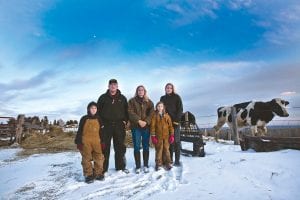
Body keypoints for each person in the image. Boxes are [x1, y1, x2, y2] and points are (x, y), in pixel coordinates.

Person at [97, 79, 129, 173]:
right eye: (111, 85)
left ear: (117, 86)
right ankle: (103, 169)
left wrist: (125, 121)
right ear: (108, 86)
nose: (113, 86)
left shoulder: (122, 98)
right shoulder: (103, 98)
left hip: (119, 125)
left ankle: (120, 167)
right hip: (106, 125)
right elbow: (98, 112)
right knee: (105, 147)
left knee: (120, 147)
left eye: (115, 85)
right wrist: (101, 124)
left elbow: (127, 111)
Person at [75, 101, 105, 183]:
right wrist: (78, 142)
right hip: (86, 142)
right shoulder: (84, 118)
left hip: (97, 141)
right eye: (92, 108)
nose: (94, 109)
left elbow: (102, 131)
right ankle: (88, 175)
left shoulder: (99, 118)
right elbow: (80, 130)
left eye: (95, 108)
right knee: (86, 158)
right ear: (89, 109)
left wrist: (103, 141)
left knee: (99, 157)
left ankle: (98, 173)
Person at [128, 85, 154, 174]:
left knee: (146, 146)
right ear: (137, 91)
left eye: (142, 90)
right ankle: (138, 166)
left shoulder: (149, 102)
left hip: (146, 127)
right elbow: (130, 112)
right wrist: (139, 121)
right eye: (139, 90)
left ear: (144, 91)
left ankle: (146, 165)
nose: (140, 91)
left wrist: (146, 122)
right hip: (136, 127)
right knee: (136, 146)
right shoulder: (131, 101)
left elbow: (151, 114)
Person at [160, 83, 183, 166]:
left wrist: (176, 121)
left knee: (176, 141)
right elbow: (161, 109)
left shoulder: (177, 97)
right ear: (165, 89)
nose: (169, 89)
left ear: (173, 89)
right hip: (166, 123)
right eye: (167, 88)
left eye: (170, 88)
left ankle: (177, 160)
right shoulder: (162, 98)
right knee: (169, 142)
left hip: (175, 122)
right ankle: (170, 159)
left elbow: (180, 109)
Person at [150, 101, 174, 171]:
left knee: (166, 150)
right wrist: (153, 136)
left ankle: (168, 163)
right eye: (158, 106)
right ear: (156, 107)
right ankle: (158, 164)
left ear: (163, 107)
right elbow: (152, 127)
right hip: (158, 136)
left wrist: (171, 135)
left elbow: (170, 126)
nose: (160, 108)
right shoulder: (154, 116)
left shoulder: (167, 116)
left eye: (161, 106)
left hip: (166, 136)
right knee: (159, 150)